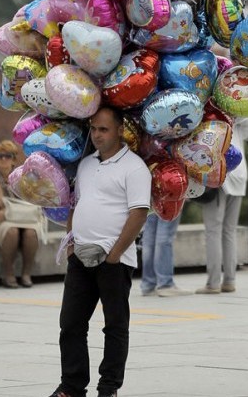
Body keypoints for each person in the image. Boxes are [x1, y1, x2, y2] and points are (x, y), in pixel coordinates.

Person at [49, 105, 152, 397]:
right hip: (80, 257)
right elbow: (76, 202)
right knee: (70, 324)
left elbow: (139, 213)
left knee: (115, 326)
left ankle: (108, 388)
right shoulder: (86, 164)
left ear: (120, 130)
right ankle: (71, 386)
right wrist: (70, 243)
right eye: (93, 129)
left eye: (103, 129)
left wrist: (114, 254)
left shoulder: (134, 168)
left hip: (114, 261)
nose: (96, 135)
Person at [196, 116, 248, 295]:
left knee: (213, 231)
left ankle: (213, 283)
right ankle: (230, 280)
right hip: (239, 177)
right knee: (229, 231)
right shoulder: (237, 125)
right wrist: (234, 116)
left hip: (219, 178)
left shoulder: (211, 124)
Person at [0, 140, 44, 289]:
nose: (4, 159)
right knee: (12, 231)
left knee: (31, 232)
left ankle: (26, 274)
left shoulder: (25, 179)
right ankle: (8, 273)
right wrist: (9, 214)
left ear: (14, 159)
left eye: (8, 156)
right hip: (0, 224)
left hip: (26, 221)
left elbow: (35, 204)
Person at [140, 211, 191, 297]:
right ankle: (165, 284)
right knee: (165, 237)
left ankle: (148, 284)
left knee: (149, 237)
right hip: (168, 198)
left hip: (149, 199)